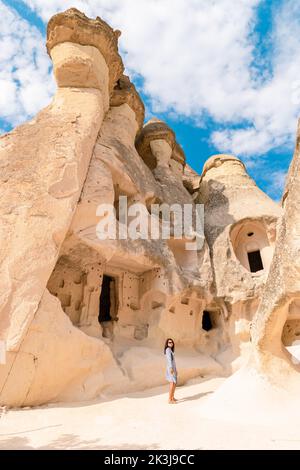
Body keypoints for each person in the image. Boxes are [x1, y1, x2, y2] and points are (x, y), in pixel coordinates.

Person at [164, 338, 177, 404]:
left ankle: (172, 397)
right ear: (167, 343)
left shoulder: (171, 350)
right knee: (172, 383)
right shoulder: (168, 350)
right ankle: (169, 399)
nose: (171, 343)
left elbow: (173, 361)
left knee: (174, 383)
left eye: (171, 342)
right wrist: (171, 368)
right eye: (169, 342)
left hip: (173, 368)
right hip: (171, 368)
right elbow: (169, 360)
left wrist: (175, 369)